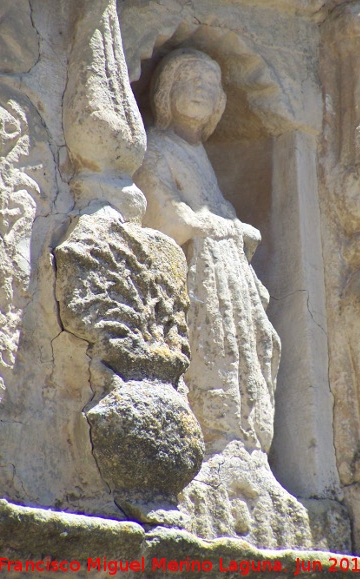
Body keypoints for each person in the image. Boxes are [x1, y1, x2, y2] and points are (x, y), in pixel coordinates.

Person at [134, 48, 280, 455]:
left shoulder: (200, 154)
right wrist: (222, 226)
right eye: (190, 81)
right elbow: (163, 212)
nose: (201, 90)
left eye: (210, 84)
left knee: (253, 349)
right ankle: (216, 434)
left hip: (229, 270)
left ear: (221, 102)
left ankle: (243, 437)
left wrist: (229, 226)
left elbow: (209, 206)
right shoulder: (156, 147)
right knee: (212, 346)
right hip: (204, 271)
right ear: (167, 91)